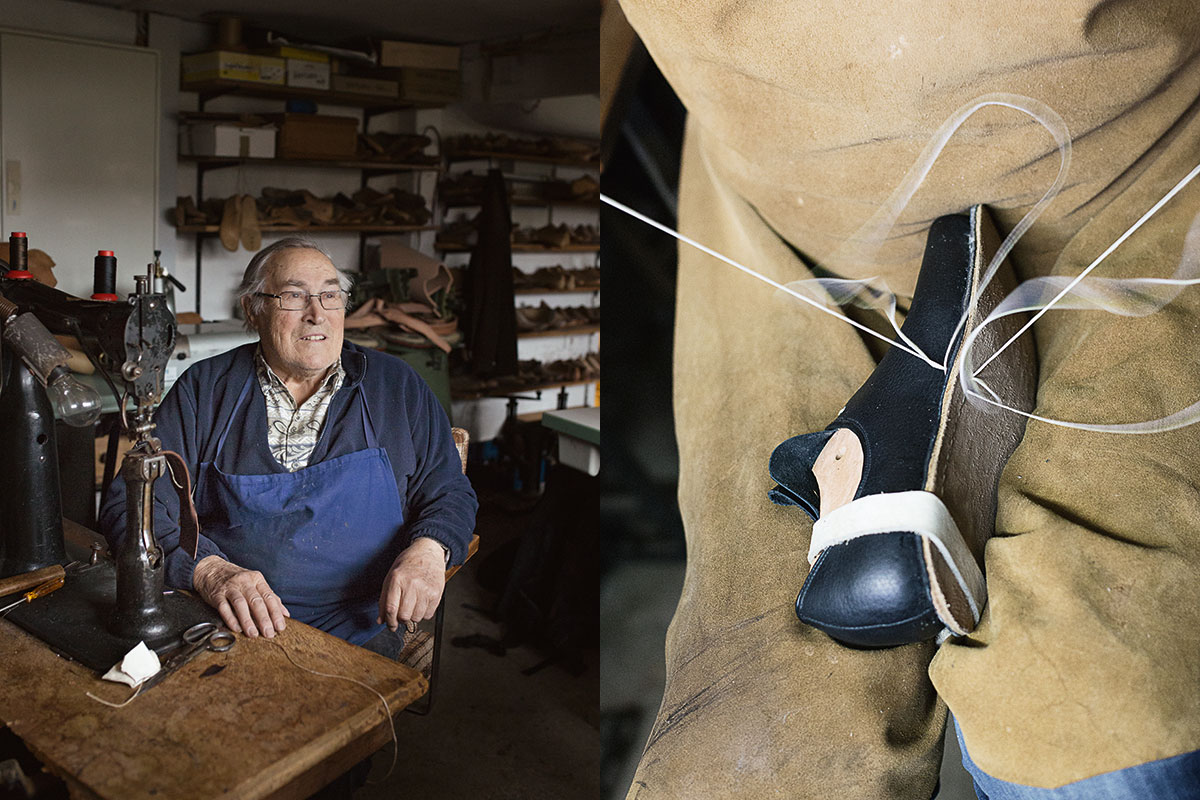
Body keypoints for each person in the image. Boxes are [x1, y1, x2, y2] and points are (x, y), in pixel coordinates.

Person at [610, 1, 1200, 798]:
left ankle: (875, 502)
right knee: (1088, 698)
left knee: (1096, 714)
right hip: (788, 218)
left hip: (1130, 181)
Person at [100, 237, 477, 656]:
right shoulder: (205, 390)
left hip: (357, 626)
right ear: (253, 310)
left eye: (330, 295)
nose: (318, 315)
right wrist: (208, 571)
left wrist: (428, 550)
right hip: (227, 621)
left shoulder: (396, 385)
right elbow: (132, 506)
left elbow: (449, 490)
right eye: (294, 296)